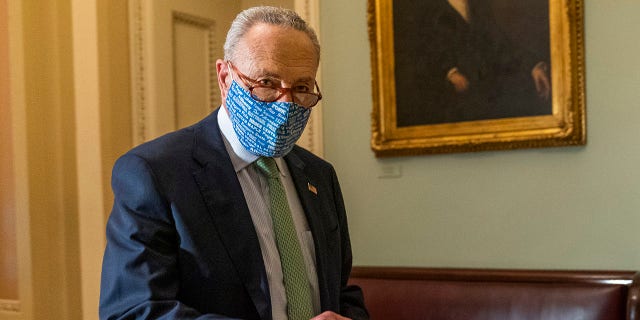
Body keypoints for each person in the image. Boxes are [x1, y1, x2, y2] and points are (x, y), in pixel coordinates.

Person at [99, 6, 368, 320]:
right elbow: (133, 311)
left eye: (302, 88)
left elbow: (340, 292)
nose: (286, 104)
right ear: (225, 77)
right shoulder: (154, 174)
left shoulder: (320, 176)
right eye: (267, 83)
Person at [395, 0, 551, 126]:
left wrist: (534, 66)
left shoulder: (479, 6)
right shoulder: (426, 8)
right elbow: (419, 54)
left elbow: (503, 46)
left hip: (485, 96)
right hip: (445, 100)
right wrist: (450, 73)